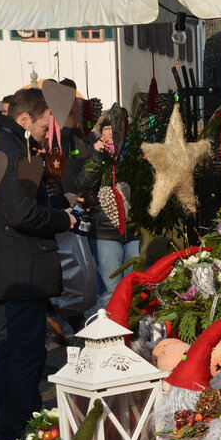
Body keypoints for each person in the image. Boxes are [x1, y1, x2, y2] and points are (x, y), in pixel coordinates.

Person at [0, 88, 77, 440]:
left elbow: (8, 206)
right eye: (46, 126)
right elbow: (20, 215)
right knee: (23, 357)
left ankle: (3, 436)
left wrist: (58, 200)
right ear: (26, 119)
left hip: (0, 270)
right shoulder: (11, 151)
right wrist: (65, 219)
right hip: (21, 272)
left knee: (6, 354)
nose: (49, 133)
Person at [76, 112, 139, 310]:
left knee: (135, 288)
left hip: (134, 231)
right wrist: (97, 155)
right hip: (104, 233)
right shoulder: (92, 153)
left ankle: (134, 333)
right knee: (111, 289)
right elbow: (82, 183)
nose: (111, 133)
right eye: (106, 128)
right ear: (99, 131)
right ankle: (112, 333)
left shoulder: (133, 155)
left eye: (115, 128)